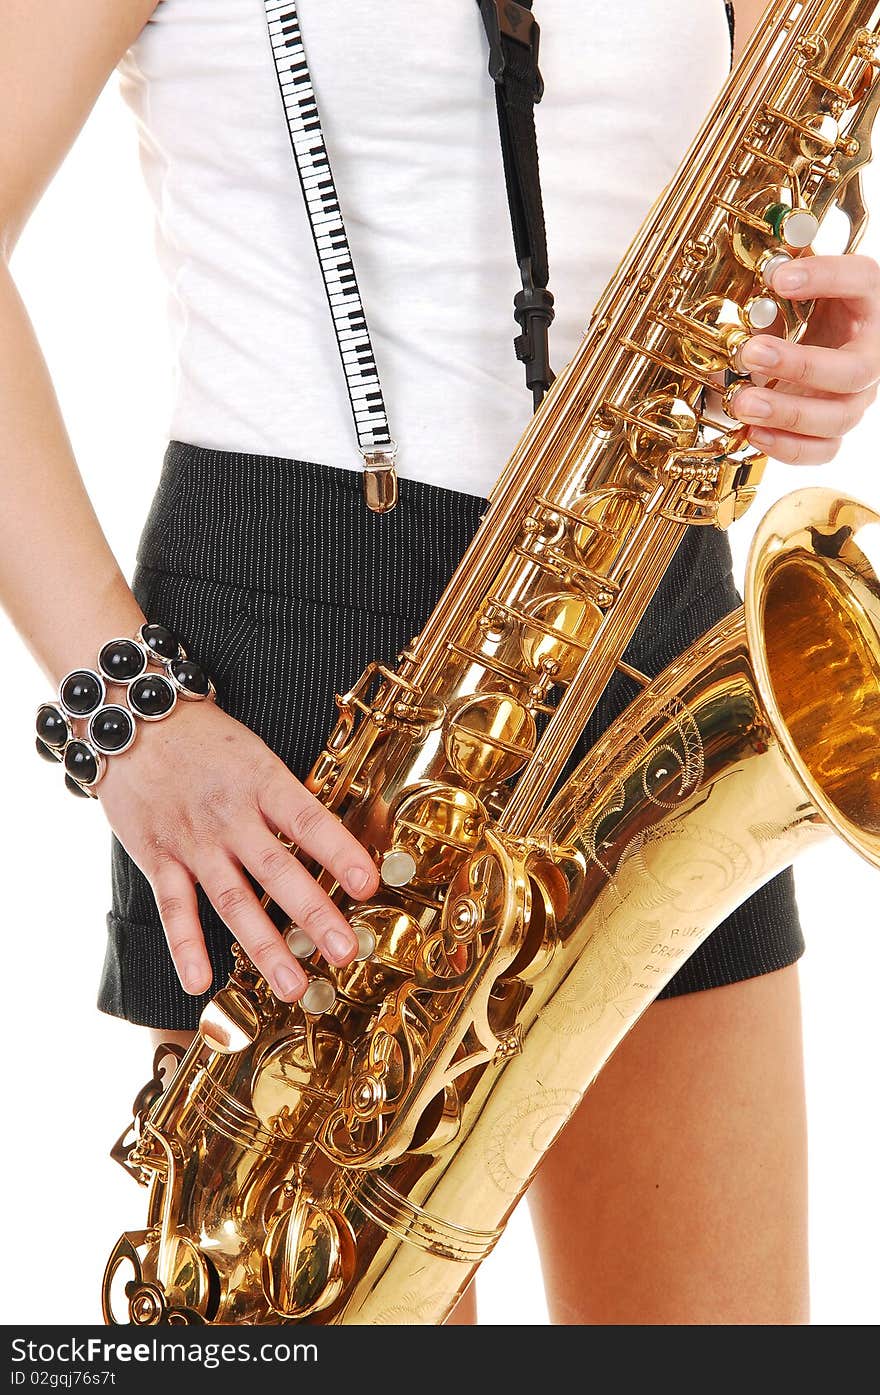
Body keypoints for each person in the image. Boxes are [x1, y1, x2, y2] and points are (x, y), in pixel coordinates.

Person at [2, 0, 879, 1326]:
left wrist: (827, 335)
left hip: (637, 609)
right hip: (290, 668)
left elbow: (753, 169)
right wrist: (122, 711)